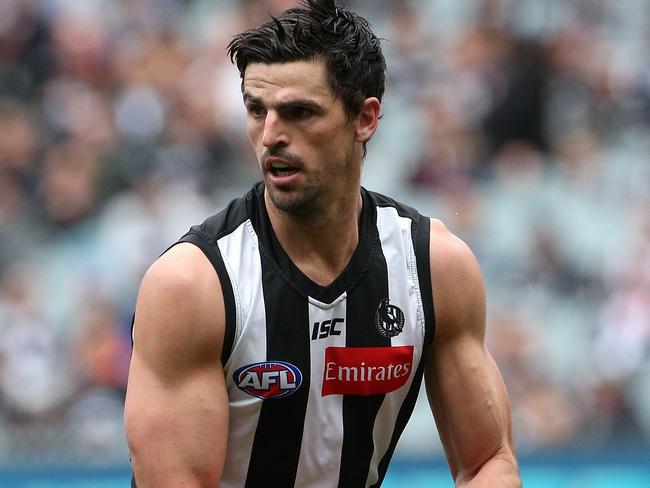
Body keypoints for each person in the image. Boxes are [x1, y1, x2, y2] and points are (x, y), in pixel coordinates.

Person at [124, 0, 521, 486]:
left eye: (299, 113)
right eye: (256, 110)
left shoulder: (433, 267)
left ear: (365, 118)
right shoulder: (192, 285)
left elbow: (489, 461)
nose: (270, 136)